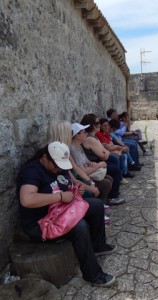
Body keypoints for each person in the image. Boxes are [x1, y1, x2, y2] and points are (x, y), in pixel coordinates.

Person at [16, 141, 117, 287]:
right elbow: (27, 199)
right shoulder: (32, 171)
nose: (58, 169)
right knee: (79, 227)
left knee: (96, 205)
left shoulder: (59, 166)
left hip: (62, 211)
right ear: (45, 157)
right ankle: (93, 275)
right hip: (42, 223)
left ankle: (98, 245)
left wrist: (77, 189)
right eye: (56, 165)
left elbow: (68, 184)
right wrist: (61, 197)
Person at [47, 120, 112, 215]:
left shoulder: (66, 149)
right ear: (64, 134)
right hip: (63, 190)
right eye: (70, 133)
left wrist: (90, 182)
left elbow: (76, 168)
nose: (71, 135)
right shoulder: (61, 152)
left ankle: (99, 207)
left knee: (103, 182)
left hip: (69, 185)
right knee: (96, 189)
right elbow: (73, 177)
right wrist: (91, 186)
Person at [80, 114, 125, 205]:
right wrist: (106, 151)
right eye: (97, 123)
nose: (99, 125)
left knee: (115, 161)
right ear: (92, 125)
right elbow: (104, 155)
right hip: (95, 164)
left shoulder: (94, 136)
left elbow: (105, 151)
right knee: (115, 169)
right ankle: (113, 197)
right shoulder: (90, 139)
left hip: (96, 162)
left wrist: (106, 151)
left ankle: (113, 191)